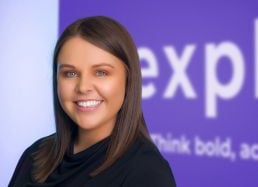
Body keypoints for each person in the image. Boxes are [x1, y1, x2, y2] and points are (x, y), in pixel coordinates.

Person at [9, 16, 176, 187]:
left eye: (101, 72)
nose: (83, 87)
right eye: (70, 73)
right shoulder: (35, 155)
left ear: (128, 80)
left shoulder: (148, 173)